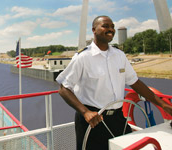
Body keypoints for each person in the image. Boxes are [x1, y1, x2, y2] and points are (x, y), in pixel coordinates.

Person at [56, 15, 172, 150]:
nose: (110, 29)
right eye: (105, 26)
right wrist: (85, 112)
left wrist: (163, 105)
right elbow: (64, 89)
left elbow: (135, 83)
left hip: (117, 118)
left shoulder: (119, 55)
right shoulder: (82, 57)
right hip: (93, 120)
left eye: (112, 27)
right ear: (94, 30)